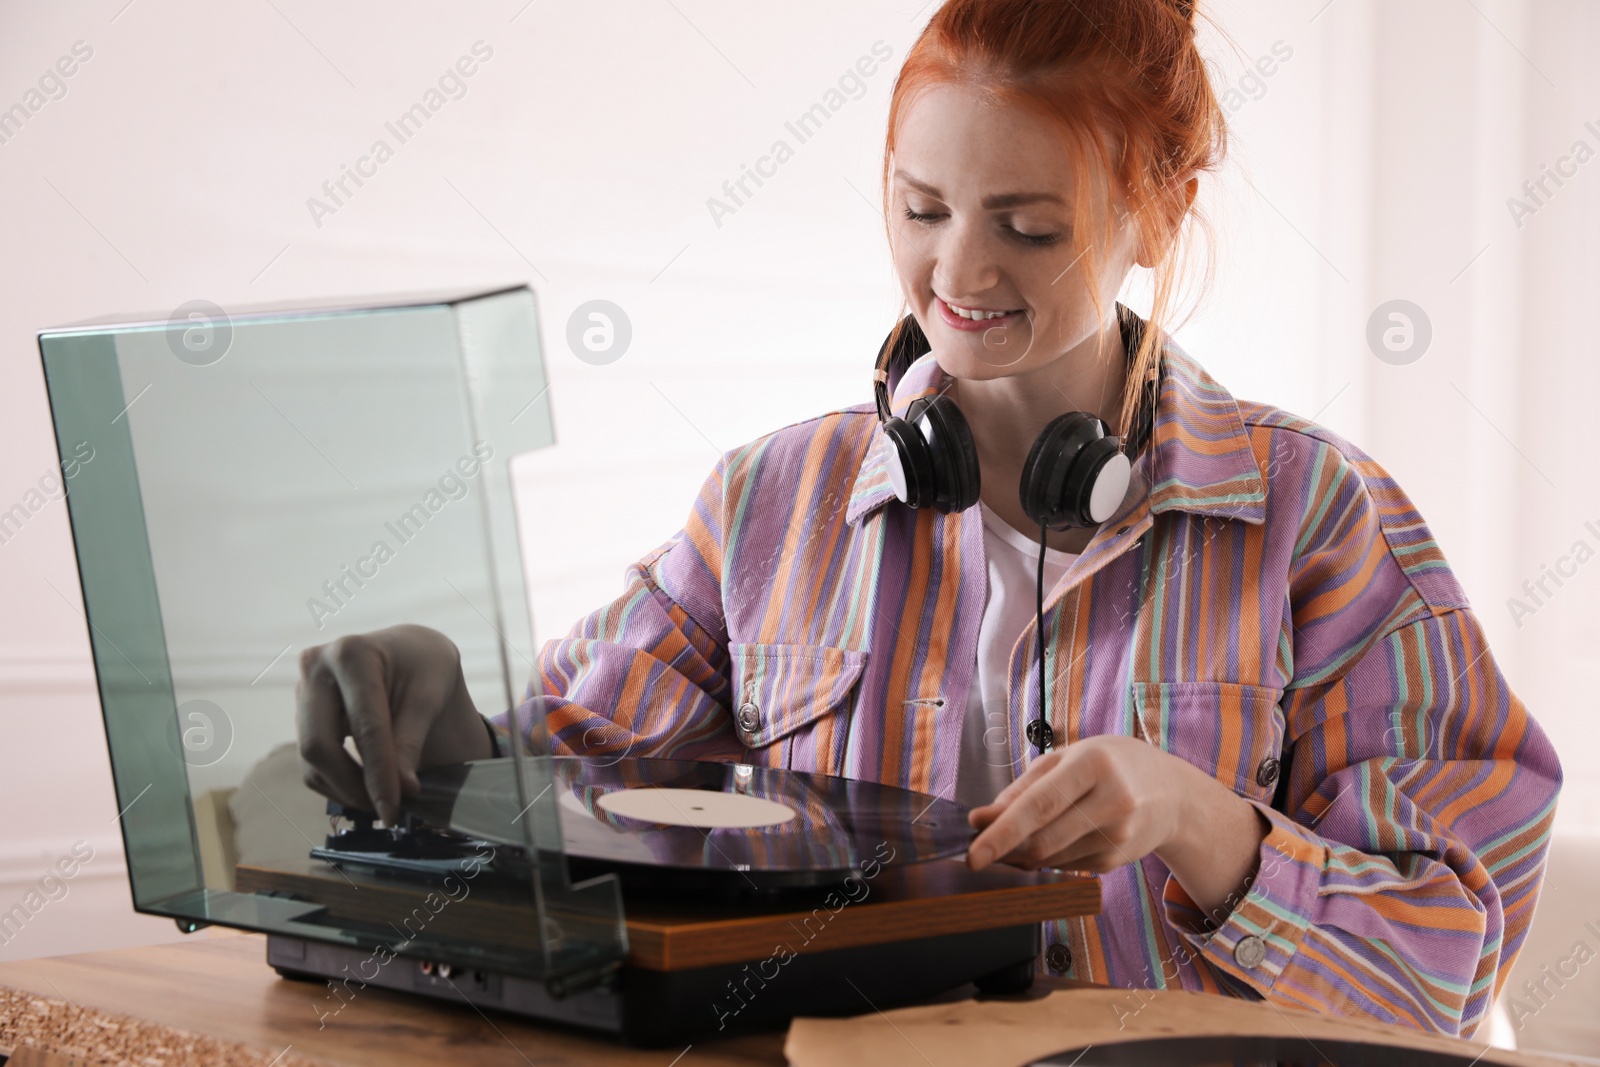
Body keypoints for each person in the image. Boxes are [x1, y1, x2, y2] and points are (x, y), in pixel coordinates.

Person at [296, 0, 1562, 1040]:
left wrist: (1198, 818)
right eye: (921, 210)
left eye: (1028, 227)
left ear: (1161, 209)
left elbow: (1449, 966)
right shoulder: (766, 506)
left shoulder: (1319, 519)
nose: (960, 273)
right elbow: (576, 805)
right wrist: (445, 735)